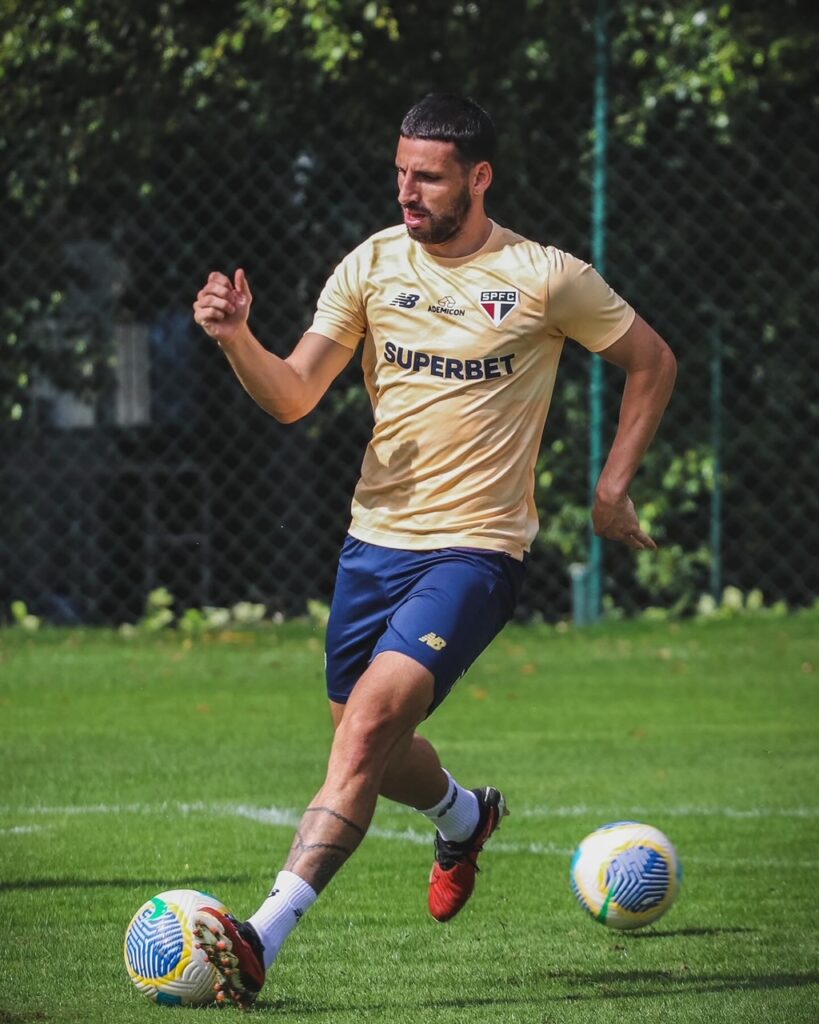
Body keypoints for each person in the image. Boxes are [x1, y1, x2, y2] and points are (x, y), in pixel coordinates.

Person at [190, 93, 676, 1007]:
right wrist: (234, 338)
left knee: (369, 730)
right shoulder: (371, 265)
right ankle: (464, 814)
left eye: (429, 176)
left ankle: (260, 935)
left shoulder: (543, 277)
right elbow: (294, 396)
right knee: (364, 736)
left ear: (478, 177)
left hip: (478, 552)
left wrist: (610, 487)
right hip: (372, 548)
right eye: (401, 172)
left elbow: (653, 361)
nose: (408, 191)